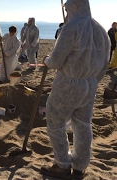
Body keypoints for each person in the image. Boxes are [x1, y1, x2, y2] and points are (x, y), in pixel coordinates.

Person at [40, 0, 110, 179]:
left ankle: (62, 164)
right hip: (90, 84)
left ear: (75, 6)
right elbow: (104, 64)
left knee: (55, 122)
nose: (67, 11)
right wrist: (92, 81)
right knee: (83, 125)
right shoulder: (101, 30)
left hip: (69, 84)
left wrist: (47, 60)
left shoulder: (71, 28)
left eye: (68, 8)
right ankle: (80, 166)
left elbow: (56, 60)